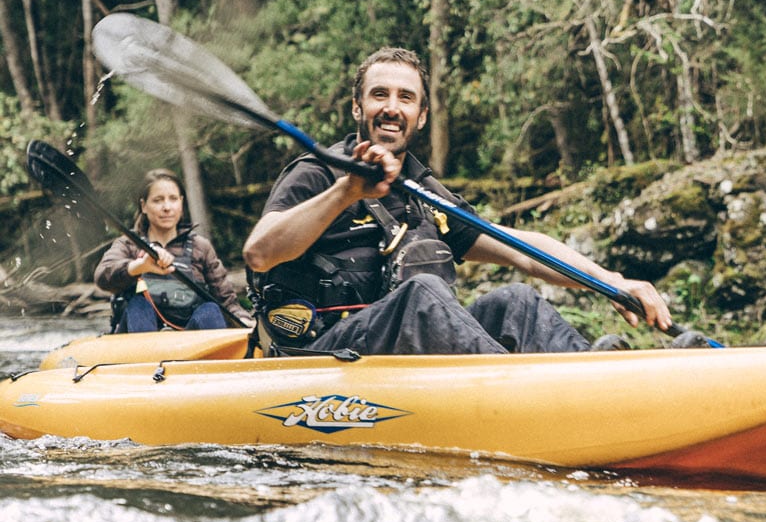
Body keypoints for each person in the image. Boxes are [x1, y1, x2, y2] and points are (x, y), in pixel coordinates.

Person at [242, 47, 679, 356]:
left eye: (405, 98)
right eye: (380, 95)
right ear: (357, 108)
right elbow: (259, 253)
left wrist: (611, 280)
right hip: (318, 357)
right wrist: (348, 192)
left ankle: (594, 384)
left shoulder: (422, 190)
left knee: (516, 302)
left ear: (422, 116)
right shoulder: (317, 174)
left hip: (389, 364)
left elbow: (520, 249)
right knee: (425, 292)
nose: (392, 107)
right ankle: (529, 395)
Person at [95, 169, 251, 333]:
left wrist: (246, 322)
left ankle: (215, 358)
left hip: (190, 338)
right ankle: (150, 357)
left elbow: (226, 301)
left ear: (181, 202)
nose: (167, 207)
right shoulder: (128, 244)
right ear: (144, 206)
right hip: (140, 336)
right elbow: (102, 277)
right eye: (158, 200)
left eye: (173, 199)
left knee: (211, 310)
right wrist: (139, 266)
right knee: (138, 306)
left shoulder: (201, 246)